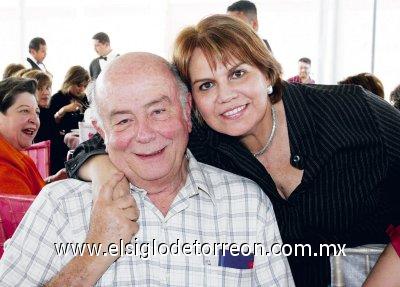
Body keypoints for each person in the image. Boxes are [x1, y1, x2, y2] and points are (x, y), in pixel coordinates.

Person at [66, 15, 400, 287]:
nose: (225, 96)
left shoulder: (355, 114)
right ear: (191, 100)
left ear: (267, 72)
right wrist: (107, 178)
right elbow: (100, 143)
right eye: (206, 85)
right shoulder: (202, 139)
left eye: (237, 73)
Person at [0, 52, 294, 286]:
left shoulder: (245, 203)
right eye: (124, 120)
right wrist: (91, 257)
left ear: (186, 112)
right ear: (102, 131)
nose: (145, 134)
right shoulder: (60, 206)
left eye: (158, 111)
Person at [0, 77, 44, 195]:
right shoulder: (5, 169)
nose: (35, 120)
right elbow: (26, 211)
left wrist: (50, 183)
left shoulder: (13, 154)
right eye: (24, 111)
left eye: (37, 112)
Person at [48, 65, 89, 173]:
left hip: (80, 140)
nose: (82, 89)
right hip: (61, 144)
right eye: (79, 85)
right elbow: (52, 125)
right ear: (70, 81)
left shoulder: (84, 98)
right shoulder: (57, 98)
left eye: (84, 86)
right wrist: (64, 110)